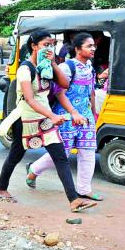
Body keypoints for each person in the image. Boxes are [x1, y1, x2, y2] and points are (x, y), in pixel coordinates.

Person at [0, 31, 96, 212]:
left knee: (60, 156)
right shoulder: (25, 69)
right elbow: (30, 99)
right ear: (34, 46)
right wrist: (53, 116)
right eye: (45, 45)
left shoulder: (46, 68)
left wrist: (53, 63)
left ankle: (74, 200)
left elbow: (65, 85)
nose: (49, 48)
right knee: (16, 154)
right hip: (25, 119)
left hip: (44, 118)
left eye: (52, 45)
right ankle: (1, 188)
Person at [27, 33, 103, 202]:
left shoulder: (90, 67)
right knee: (63, 153)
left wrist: (93, 113)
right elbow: (60, 92)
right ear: (77, 49)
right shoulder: (68, 67)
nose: (93, 49)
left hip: (86, 116)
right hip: (66, 116)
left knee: (88, 151)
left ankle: (84, 189)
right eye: (89, 46)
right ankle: (34, 169)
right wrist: (73, 113)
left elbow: (90, 92)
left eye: (94, 46)